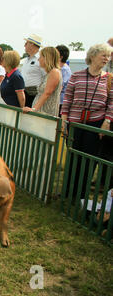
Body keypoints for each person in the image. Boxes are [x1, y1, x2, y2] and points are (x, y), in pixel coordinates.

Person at [61, 43, 113, 198]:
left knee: (89, 160)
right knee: (73, 157)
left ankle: (80, 194)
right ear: (92, 56)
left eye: (108, 56)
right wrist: (64, 120)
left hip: (96, 124)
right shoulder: (76, 76)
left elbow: (111, 102)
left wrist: (107, 121)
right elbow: (68, 99)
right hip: (75, 123)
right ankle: (68, 191)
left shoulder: (109, 79)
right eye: (103, 55)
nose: (106, 58)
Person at [23, 47, 62, 117]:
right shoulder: (48, 73)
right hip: (41, 112)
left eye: (40, 57)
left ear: (47, 58)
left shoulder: (54, 72)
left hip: (46, 113)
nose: (38, 59)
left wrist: (34, 109)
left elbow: (47, 92)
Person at [21, 34, 46, 107]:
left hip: (35, 95)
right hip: (24, 93)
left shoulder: (41, 59)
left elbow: (46, 77)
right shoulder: (26, 60)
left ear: (32, 44)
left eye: (26, 43)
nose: (24, 45)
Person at [56, 45, 72, 114]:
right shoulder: (59, 69)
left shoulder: (65, 70)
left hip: (60, 102)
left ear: (61, 57)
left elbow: (60, 87)